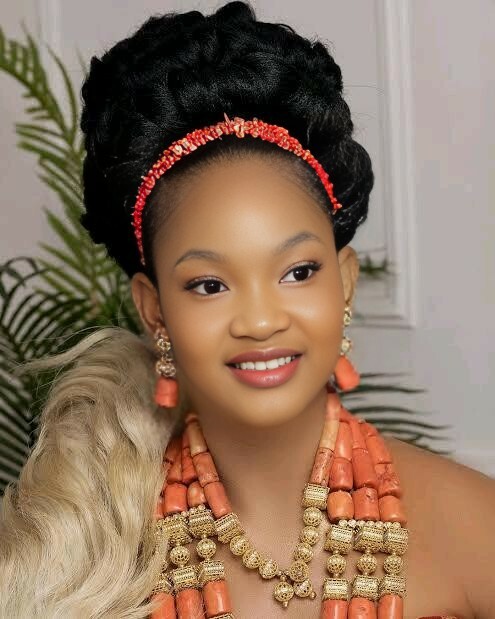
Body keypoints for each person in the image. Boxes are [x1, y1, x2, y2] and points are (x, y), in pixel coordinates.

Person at [0, 2, 494, 618]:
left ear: (344, 282)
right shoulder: (80, 553)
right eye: (209, 284)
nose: (260, 321)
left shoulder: (474, 527)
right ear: (154, 311)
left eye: (298, 272)